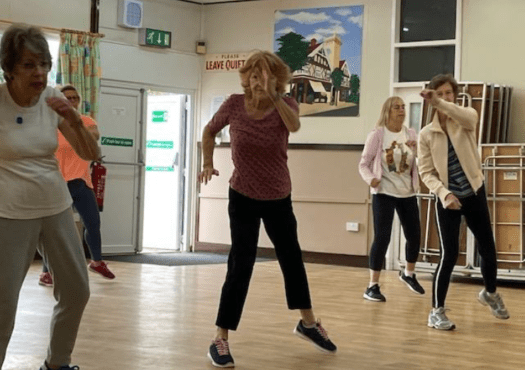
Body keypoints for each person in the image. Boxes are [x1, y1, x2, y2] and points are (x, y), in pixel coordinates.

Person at [198, 51, 337, 368]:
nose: (258, 80)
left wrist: (274, 97)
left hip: (278, 196)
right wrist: (207, 161)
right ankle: (220, 337)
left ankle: (308, 323)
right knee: (241, 264)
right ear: (246, 77)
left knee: (291, 259)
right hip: (242, 195)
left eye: (266, 75)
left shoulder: (286, 105)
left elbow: (295, 127)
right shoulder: (234, 103)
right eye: (254, 74)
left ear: (278, 79)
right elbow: (208, 131)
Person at [0, 24, 100, 369]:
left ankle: (57, 364)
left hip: (55, 206)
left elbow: (90, 154)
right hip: (9, 212)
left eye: (44, 63)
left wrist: (72, 118)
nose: (39, 72)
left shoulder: (52, 98)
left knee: (76, 291)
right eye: (29, 65)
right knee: (2, 305)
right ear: (9, 69)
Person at [418, 73, 510, 330]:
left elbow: (467, 116)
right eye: (441, 93)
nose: (446, 97)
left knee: (488, 248)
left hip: (474, 192)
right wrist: (444, 194)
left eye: (449, 93)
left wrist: (438, 102)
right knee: (449, 254)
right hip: (448, 198)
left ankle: (490, 293)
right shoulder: (427, 134)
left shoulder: (466, 118)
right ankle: (436, 311)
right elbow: (426, 172)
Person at [38, 84, 115, 287]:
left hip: (81, 181)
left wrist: (77, 124)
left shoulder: (86, 121)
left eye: (75, 98)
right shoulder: (50, 124)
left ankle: (96, 261)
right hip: (57, 183)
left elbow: (94, 135)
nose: (72, 101)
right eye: (67, 98)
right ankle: (46, 271)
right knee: (54, 230)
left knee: (93, 223)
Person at [358, 97, 425, 302]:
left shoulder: (411, 134)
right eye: (397, 107)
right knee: (382, 238)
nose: (401, 110)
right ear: (387, 111)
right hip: (384, 192)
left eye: (403, 107)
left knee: (414, 235)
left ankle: (408, 274)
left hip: (407, 192)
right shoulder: (378, 135)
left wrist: (417, 150)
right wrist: (372, 180)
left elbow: (419, 161)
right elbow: (363, 163)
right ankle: (372, 285)